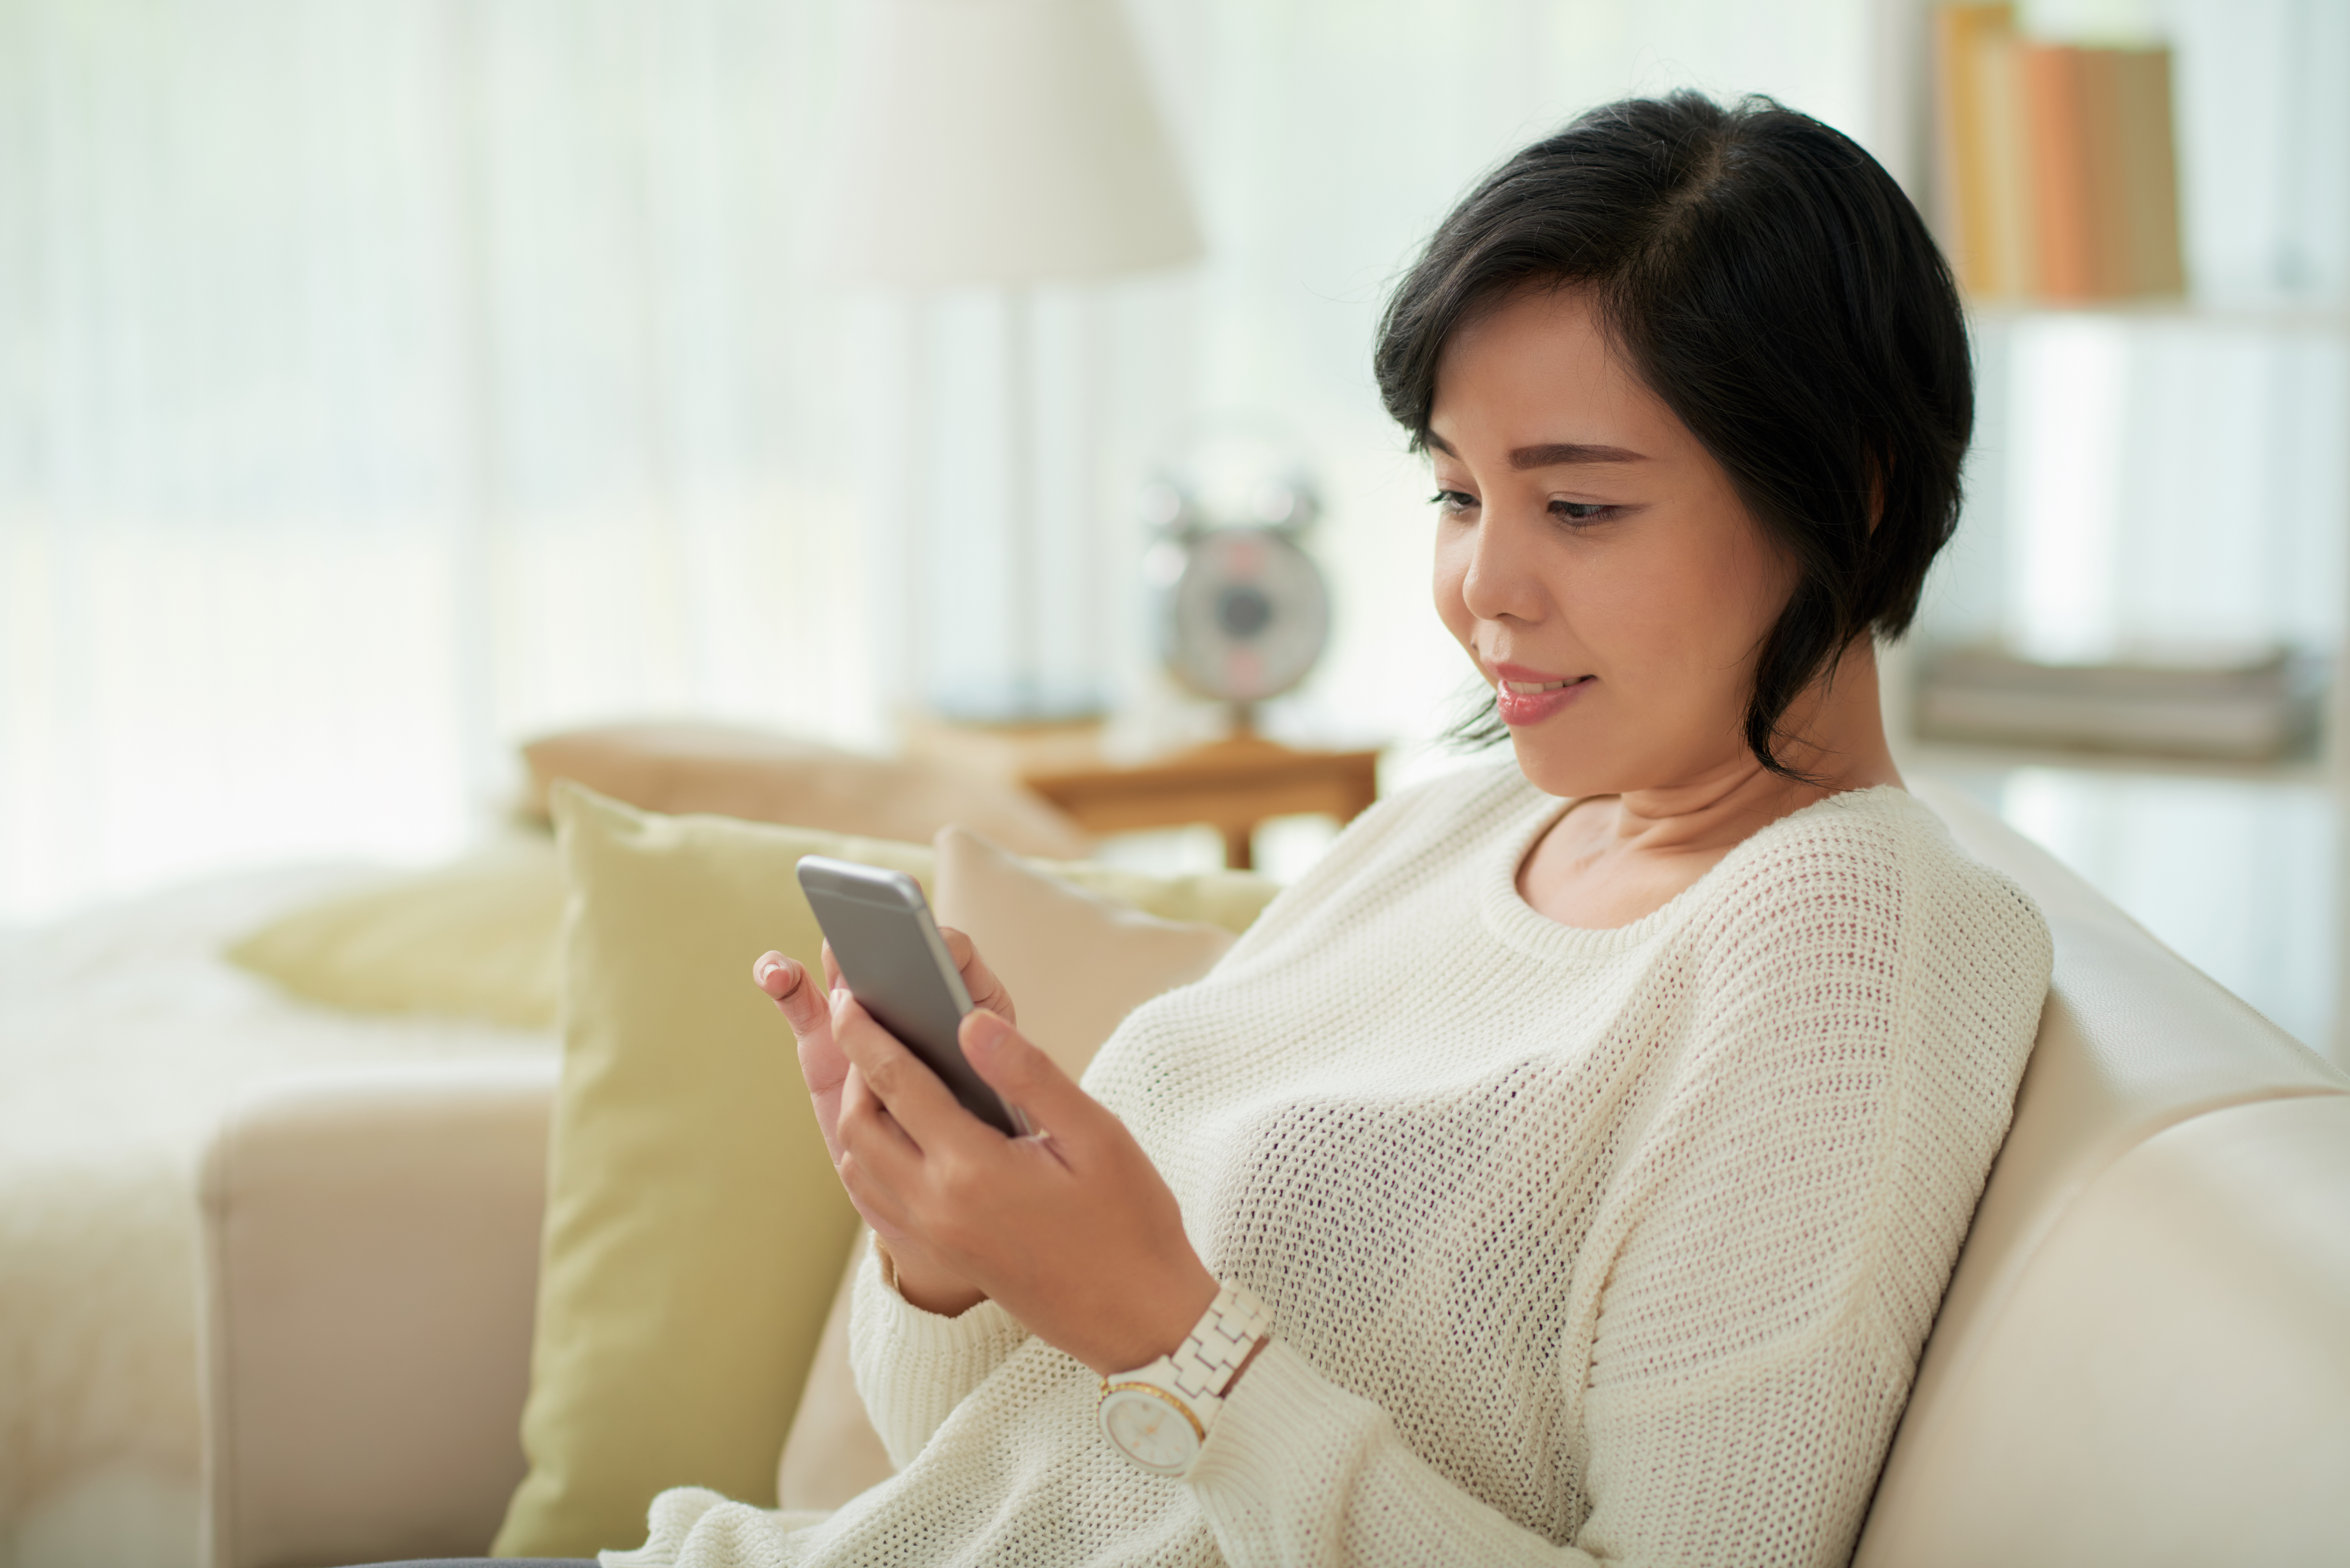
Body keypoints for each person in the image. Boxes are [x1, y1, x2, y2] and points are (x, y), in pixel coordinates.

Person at [583, 91, 2051, 1568]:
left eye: (1582, 508)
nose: (1484, 585)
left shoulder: (1848, 938)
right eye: (1456, 492)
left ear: (1849, 498)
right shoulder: (1443, 833)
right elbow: (976, 1468)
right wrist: (945, 1248)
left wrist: (1168, 1334)